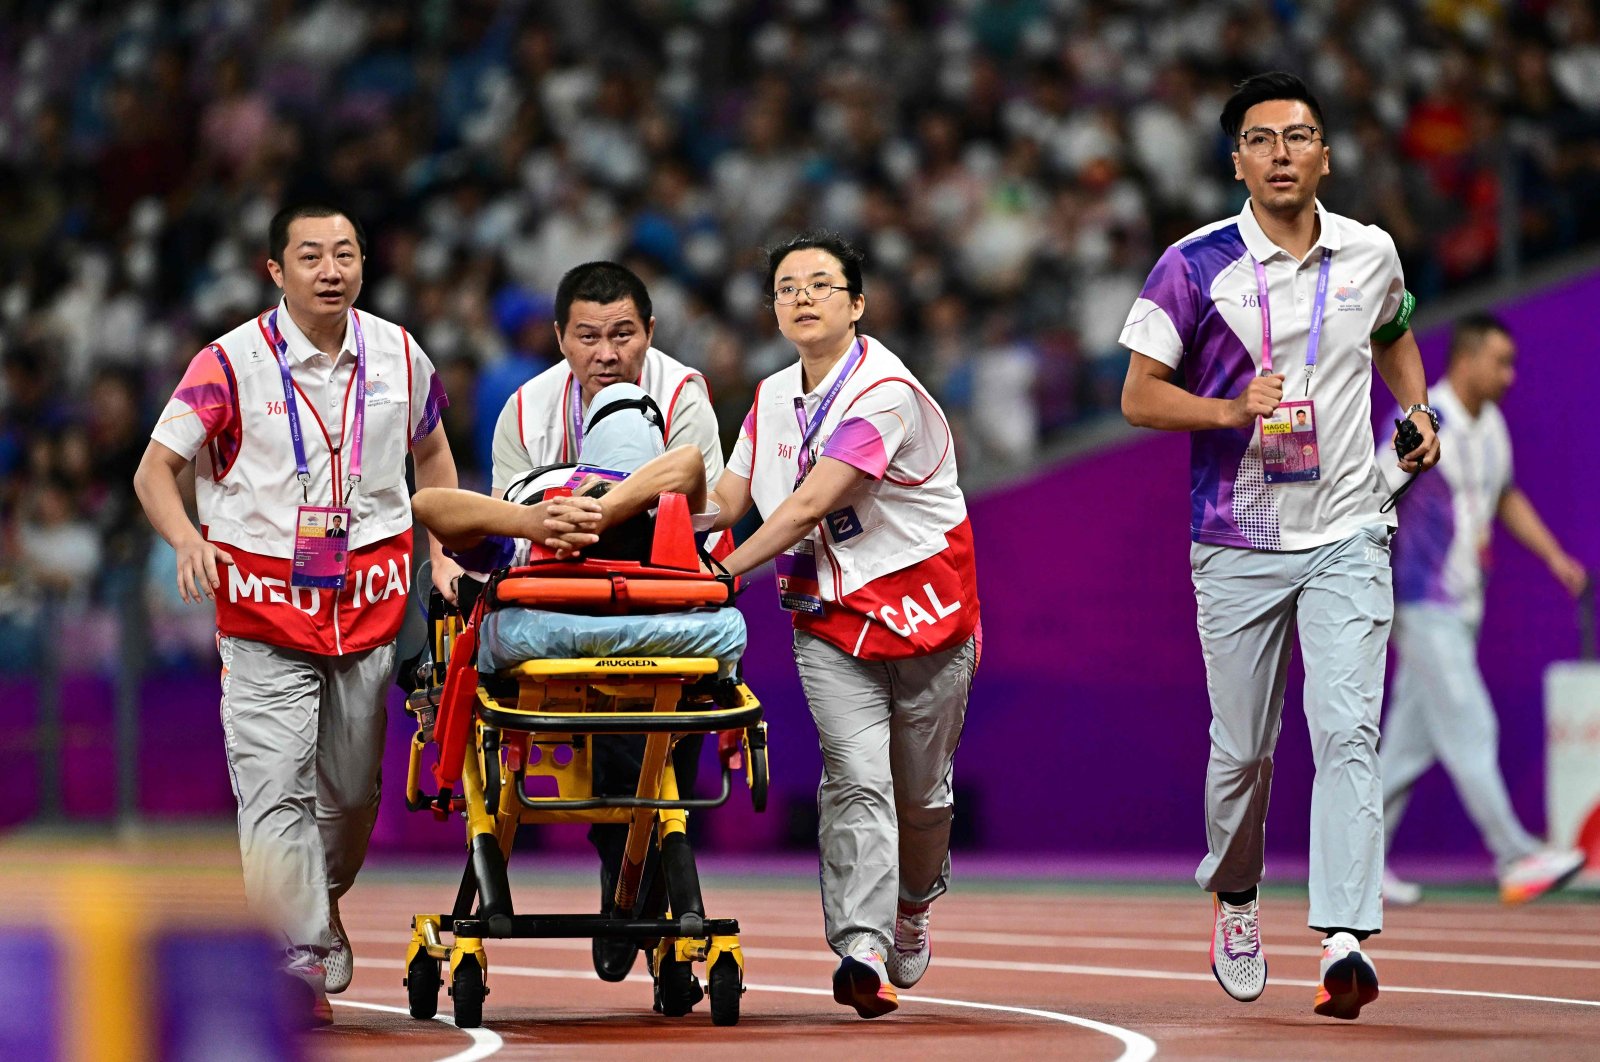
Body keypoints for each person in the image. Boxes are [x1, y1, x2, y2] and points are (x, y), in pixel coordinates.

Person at [1118, 72, 1440, 1022]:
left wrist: (1414, 410)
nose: (1282, 153)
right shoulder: (1193, 263)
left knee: (1346, 729)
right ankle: (1239, 892)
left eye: (1299, 137)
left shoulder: (1370, 250)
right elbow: (1138, 395)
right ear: (1238, 161)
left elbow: (1395, 332)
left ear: (1325, 154)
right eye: (1261, 140)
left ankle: (1345, 935)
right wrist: (1228, 409)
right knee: (1243, 753)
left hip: (1348, 527)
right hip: (1236, 542)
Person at [132, 202, 462, 1026]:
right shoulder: (228, 362)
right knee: (274, 789)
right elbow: (153, 470)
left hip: (370, 603)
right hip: (262, 607)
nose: (331, 269)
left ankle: (317, 906)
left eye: (345, 253)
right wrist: (184, 539)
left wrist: (445, 551)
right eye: (310, 255)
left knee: (350, 797)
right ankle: (296, 953)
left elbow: (432, 453)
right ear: (274, 271)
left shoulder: (400, 353)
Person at [702, 232, 981, 1019]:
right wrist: (640, 514)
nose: (802, 297)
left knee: (922, 795)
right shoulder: (767, 397)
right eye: (787, 286)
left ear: (856, 304)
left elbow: (810, 503)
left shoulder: (884, 390)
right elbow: (730, 501)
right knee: (856, 778)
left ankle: (914, 903)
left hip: (927, 613)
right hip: (829, 621)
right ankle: (861, 948)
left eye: (821, 284)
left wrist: (729, 570)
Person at [488, 261, 724, 983]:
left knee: (662, 709)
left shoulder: (683, 392)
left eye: (623, 334)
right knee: (620, 728)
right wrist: (545, 520)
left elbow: (701, 505)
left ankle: (637, 882)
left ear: (649, 332)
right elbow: (503, 531)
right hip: (558, 599)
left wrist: (608, 512)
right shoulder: (523, 411)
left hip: (661, 592)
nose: (607, 352)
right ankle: (636, 883)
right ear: (560, 338)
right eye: (587, 336)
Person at [1379, 314, 1590, 907]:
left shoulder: (1492, 425)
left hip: (1464, 605)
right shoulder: (1420, 418)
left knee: (1404, 751)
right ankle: (1515, 855)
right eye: (1500, 362)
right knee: (1472, 723)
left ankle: (1357, 864)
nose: (1511, 375)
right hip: (1422, 603)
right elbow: (1373, 488)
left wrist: (1553, 555)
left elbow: (1504, 495)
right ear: (1467, 360)